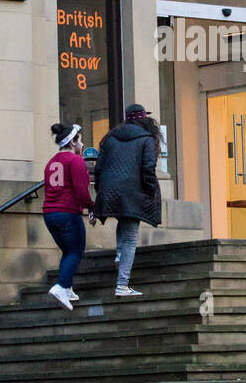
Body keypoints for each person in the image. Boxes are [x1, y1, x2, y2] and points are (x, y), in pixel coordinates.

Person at [93, 104, 162, 298]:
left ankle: (119, 255)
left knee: (123, 222)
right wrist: (150, 191)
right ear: (144, 119)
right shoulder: (147, 139)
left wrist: (102, 189)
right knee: (131, 237)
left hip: (110, 190)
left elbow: (98, 167)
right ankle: (122, 285)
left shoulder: (110, 138)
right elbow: (148, 169)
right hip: (132, 191)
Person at [42, 122, 94, 310]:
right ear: (72, 142)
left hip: (49, 213)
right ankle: (62, 286)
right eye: (80, 140)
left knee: (67, 250)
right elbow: (81, 191)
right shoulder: (76, 161)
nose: (82, 144)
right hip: (68, 213)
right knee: (76, 251)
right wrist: (91, 206)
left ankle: (68, 287)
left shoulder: (51, 162)